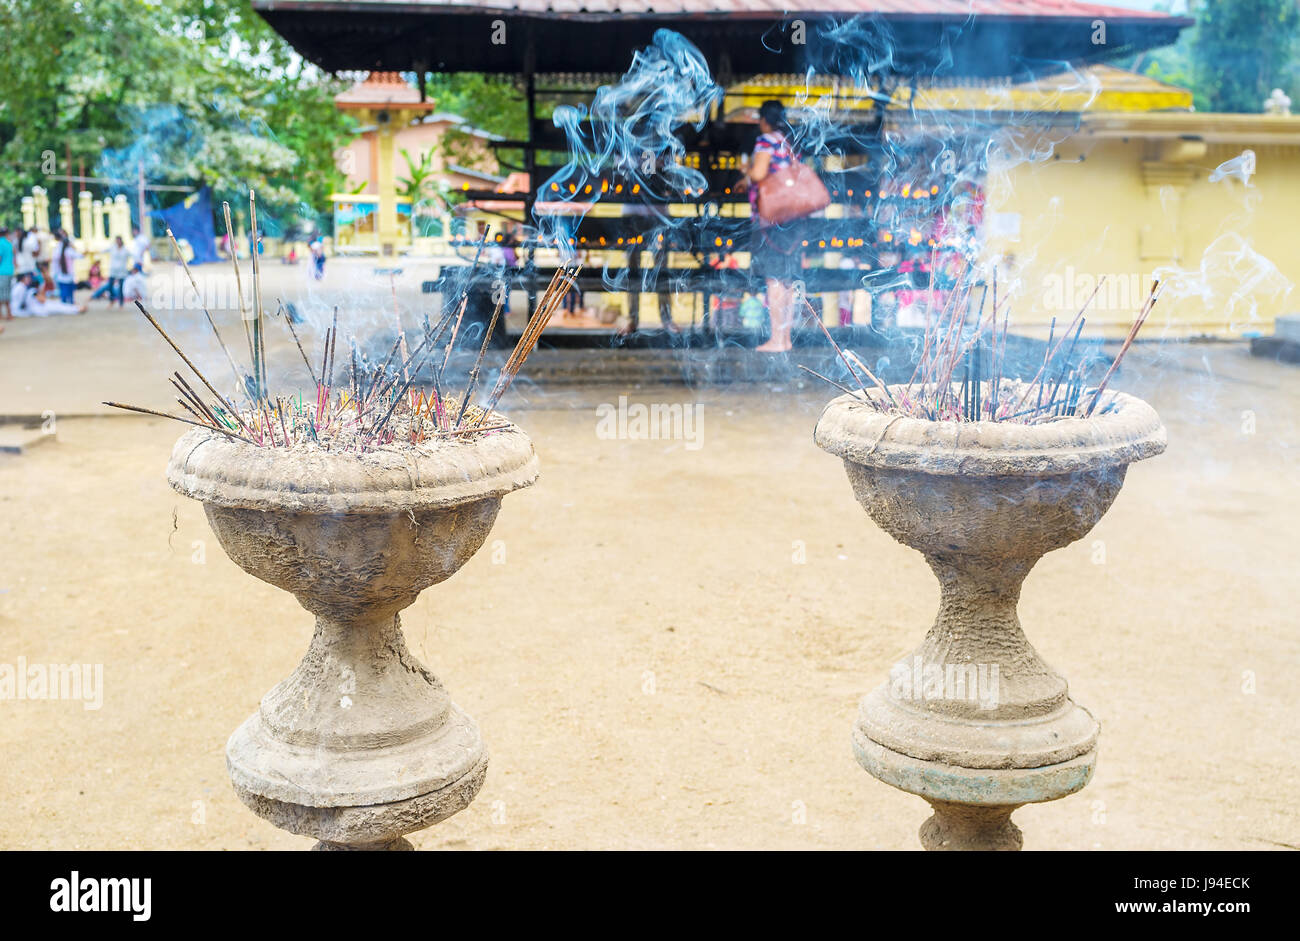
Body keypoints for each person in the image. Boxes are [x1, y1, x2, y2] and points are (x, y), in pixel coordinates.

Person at [739, 100, 804, 353]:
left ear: (763, 120)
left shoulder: (766, 140)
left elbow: (759, 173)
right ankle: (785, 338)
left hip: (771, 220)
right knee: (786, 280)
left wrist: (745, 172)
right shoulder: (788, 143)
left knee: (774, 280)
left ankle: (777, 340)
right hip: (791, 219)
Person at [11, 272, 85, 316]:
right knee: (57, 306)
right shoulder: (27, 289)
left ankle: (76, 309)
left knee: (57, 305)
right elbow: (42, 300)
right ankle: (76, 309)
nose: (29, 280)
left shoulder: (20, 287)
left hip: (25, 309)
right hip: (35, 309)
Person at [53, 230, 81, 305]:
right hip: (68, 274)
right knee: (69, 291)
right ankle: (69, 303)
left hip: (62, 274)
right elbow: (79, 255)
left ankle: (64, 303)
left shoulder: (58, 251)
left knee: (63, 291)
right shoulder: (69, 251)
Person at [0, 226, 14, 321]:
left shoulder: (0, 243)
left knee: (1, 293)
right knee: (8, 293)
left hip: (2, 271)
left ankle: (1, 315)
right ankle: (9, 313)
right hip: (10, 270)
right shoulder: (9, 243)